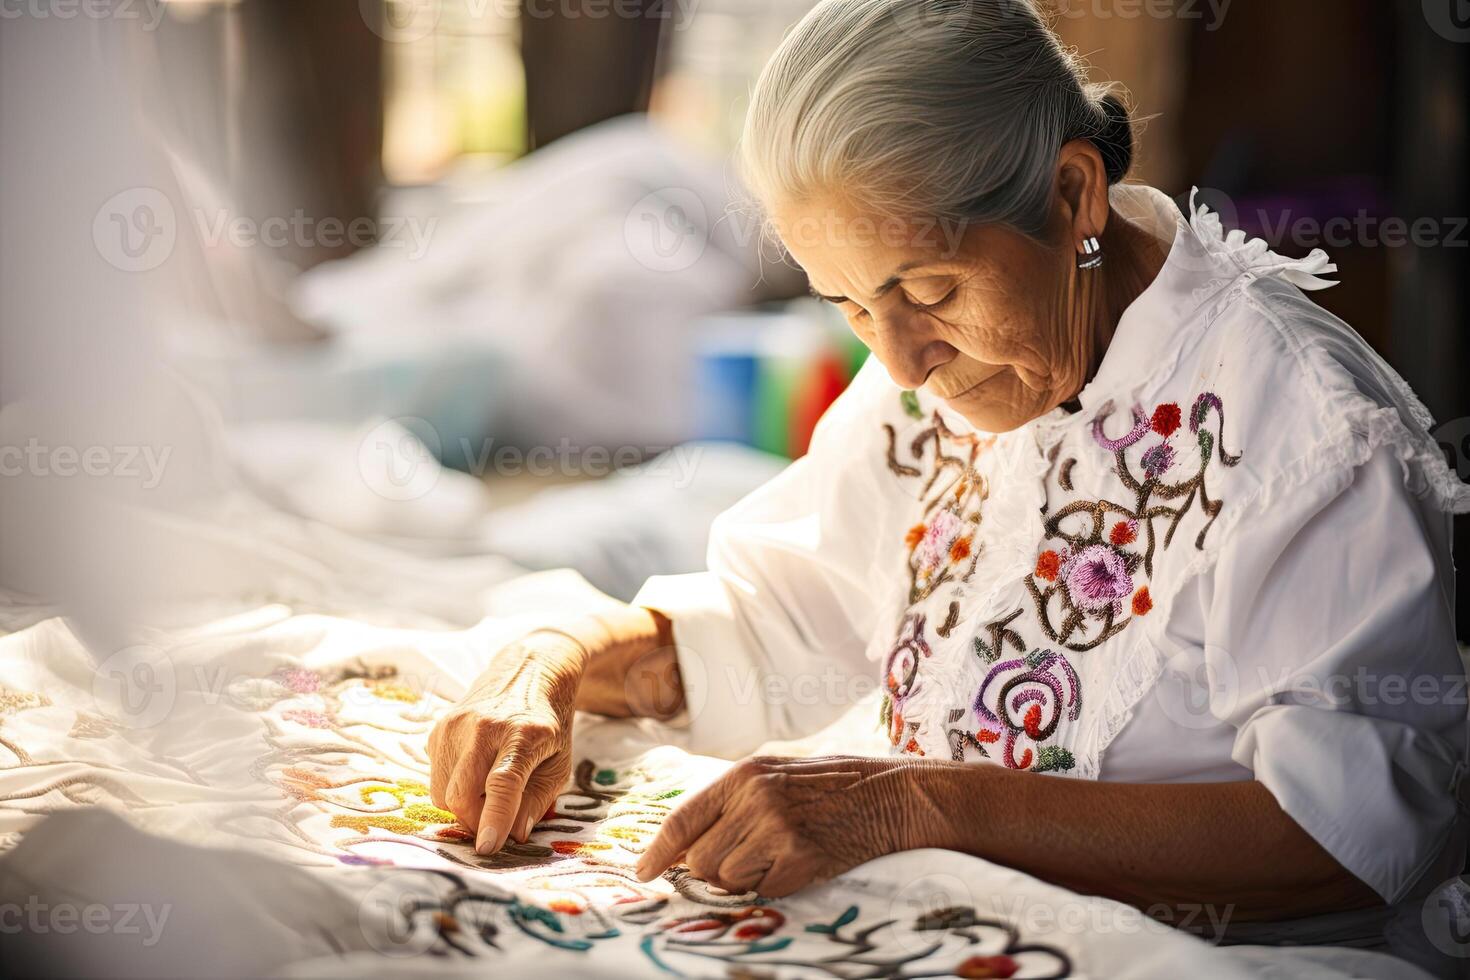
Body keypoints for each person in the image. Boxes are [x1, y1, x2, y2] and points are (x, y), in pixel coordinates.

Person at [429, 0, 1470, 932]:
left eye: (928, 289)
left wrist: (914, 803)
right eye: (846, 303)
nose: (899, 362)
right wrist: (550, 656)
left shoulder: (1303, 430)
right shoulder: (941, 371)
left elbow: (1345, 833)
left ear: (1072, 195)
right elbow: (770, 621)